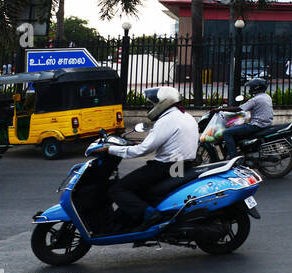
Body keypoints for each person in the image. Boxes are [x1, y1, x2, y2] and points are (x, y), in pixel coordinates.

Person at [94, 86, 198, 230]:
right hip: (182, 166)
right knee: (141, 188)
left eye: (153, 103)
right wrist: (141, 144)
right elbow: (170, 141)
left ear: (163, 102)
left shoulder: (167, 120)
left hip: (166, 167)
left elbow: (141, 151)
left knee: (117, 189)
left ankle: (150, 215)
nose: (151, 107)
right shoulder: (186, 116)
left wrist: (110, 149)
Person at [221, 77, 273, 159]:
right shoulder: (267, 97)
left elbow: (238, 109)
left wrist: (221, 109)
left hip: (256, 125)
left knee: (227, 133)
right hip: (265, 124)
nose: (250, 89)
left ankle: (233, 158)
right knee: (236, 129)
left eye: (251, 87)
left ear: (256, 87)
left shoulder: (255, 99)